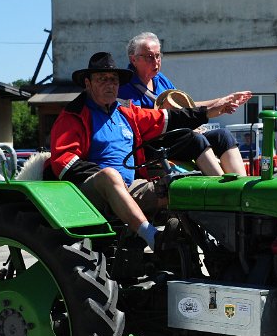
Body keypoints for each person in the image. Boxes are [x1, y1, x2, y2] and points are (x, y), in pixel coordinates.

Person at [49, 52, 238, 250]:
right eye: (102, 79)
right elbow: (64, 163)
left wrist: (211, 111)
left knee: (182, 189)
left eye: (113, 80)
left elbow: (165, 118)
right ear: (87, 83)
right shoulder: (73, 116)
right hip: (89, 192)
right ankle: (154, 238)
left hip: (131, 186)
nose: (110, 84)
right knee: (110, 175)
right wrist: (110, 180)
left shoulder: (125, 112)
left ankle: (215, 245)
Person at [119, 31, 250, 176]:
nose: (156, 61)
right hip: (150, 145)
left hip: (175, 137)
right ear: (133, 60)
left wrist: (222, 102)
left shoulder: (160, 79)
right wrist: (210, 110)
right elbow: (139, 122)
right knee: (194, 139)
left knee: (222, 136)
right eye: (149, 57)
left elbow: (184, 108)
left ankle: (241, 189)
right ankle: (220, 191)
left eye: (158, 56)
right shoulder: (124, 87)